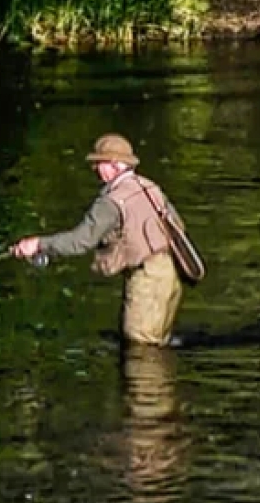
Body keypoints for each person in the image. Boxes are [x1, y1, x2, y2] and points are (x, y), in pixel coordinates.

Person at [10, 133, 186, 346]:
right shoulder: (150, 187)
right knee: (157, 344)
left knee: (141, 349)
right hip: (170, 274)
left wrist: (38, 244)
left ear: (113, 164)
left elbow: (80, 241)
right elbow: (177, 225)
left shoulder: (111, 201)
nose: (94, 169)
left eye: (98, 163)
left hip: (147, 281)